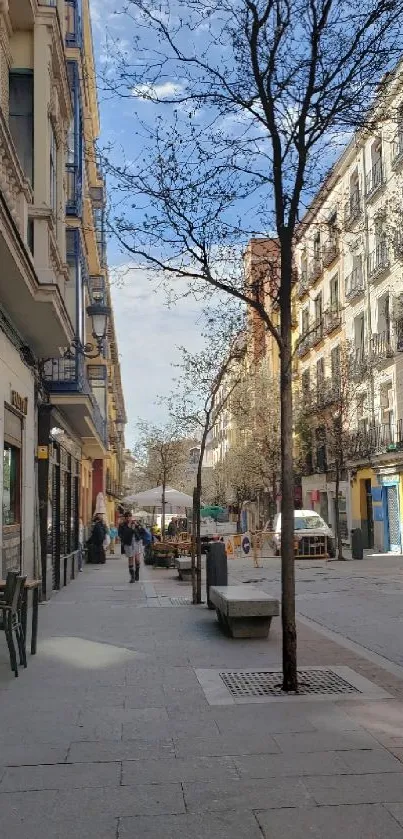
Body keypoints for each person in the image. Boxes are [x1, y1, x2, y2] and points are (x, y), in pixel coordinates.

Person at [119, 512, 136, 582]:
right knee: (130, 558)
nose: (129, 518)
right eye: (128, 517)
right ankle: (132, 575)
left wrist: (136, 527)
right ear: (125, 518)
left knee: (136, 558)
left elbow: (139, 532)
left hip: (135, 542)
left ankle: (135, 573)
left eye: (130, 516)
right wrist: (130, 528)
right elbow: (122, 535)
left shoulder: (134, 524)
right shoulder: (122, 525)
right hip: (128, 543)